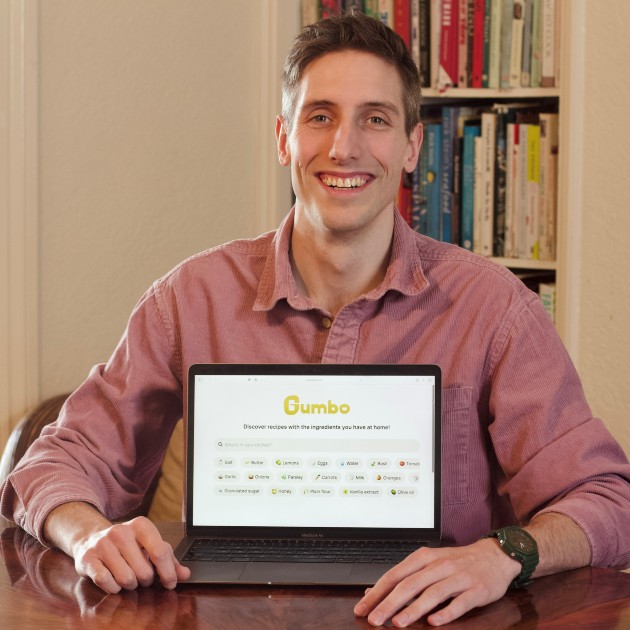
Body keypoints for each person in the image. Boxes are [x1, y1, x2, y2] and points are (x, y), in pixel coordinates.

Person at [2, 11, 629, 627]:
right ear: (284, 139)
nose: (343, 147)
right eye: (320, 116)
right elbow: (53, 465)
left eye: (375, 119)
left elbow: (607, 500)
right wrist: (87, 535)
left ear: (413, 146)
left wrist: (502, 556)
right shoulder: (190, 298)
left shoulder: (494, 309)